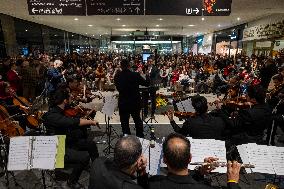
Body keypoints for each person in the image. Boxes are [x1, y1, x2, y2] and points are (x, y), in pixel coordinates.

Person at [42, 89, 100, 188]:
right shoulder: (52, 115)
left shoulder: (63, 109)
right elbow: (72, 122)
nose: (71, 98)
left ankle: (97, 168)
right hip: (58, 146)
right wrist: (91, 122)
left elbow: (73, 118)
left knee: (91, 144)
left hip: (67, 140)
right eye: (69, 97)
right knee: (84, 157)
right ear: (64, 100)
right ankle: (71, 181)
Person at [149, 133, 241, 189]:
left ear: (164, 160)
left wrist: (200, 172)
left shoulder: (153, 183)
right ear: (190, 158)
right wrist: (232, 182)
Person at [114, 59, 149, 138]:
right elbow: (146, 84)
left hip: (123, 102)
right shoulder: (135, 75)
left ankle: (127, 138)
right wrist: (146, 75)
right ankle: (140, 138)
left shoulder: (117, 76)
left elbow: (118, 88)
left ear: (121, 66)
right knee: (137, 120)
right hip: (135, 102)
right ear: (129, 66)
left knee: (124, 122)